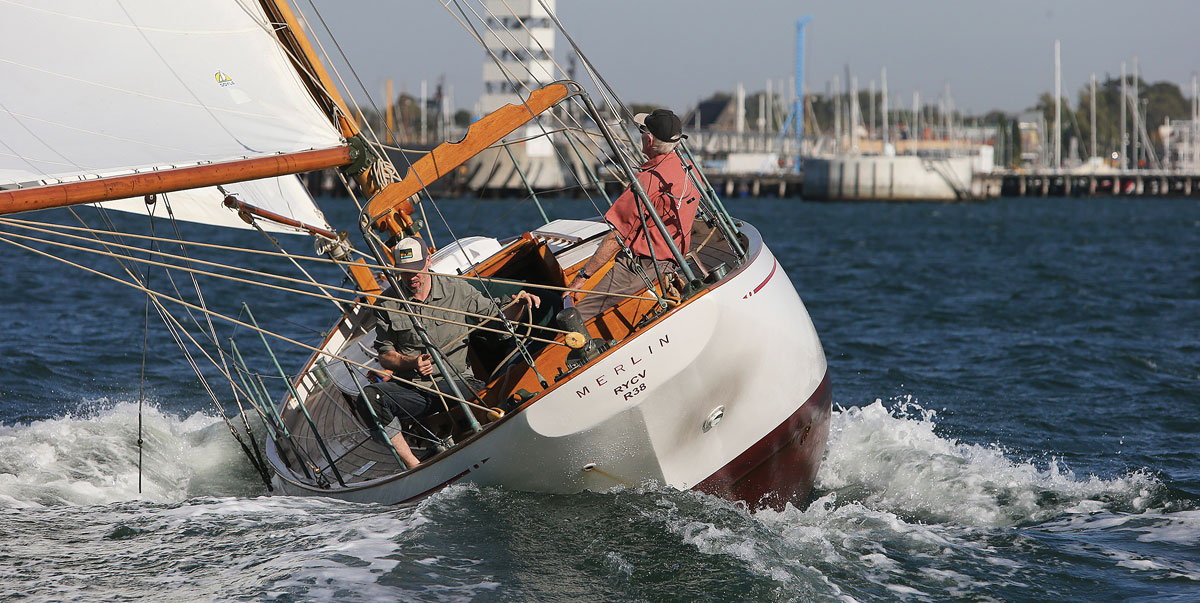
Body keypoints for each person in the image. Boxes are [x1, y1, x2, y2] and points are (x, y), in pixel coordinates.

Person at [364, 237, 540, 468]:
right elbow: (385, 355)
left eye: (416, 270)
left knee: (472, 391)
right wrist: (411, 362)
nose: (412, 277)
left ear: (428, 260)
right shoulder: (386, 304)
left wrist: (519, 303)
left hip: (458, 383)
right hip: (416, 390)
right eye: (404, 272)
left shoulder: (456, 288)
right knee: (370, 398)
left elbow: (497, 318)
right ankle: (413, 466)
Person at [568, 109, 700, 320]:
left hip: (644, 266)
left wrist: (582, 277)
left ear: (649, 140)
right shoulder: (689, 169)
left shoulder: (646, 182)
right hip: (676, 258)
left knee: (578, 312)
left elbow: (615, 238)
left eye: (643, 131)